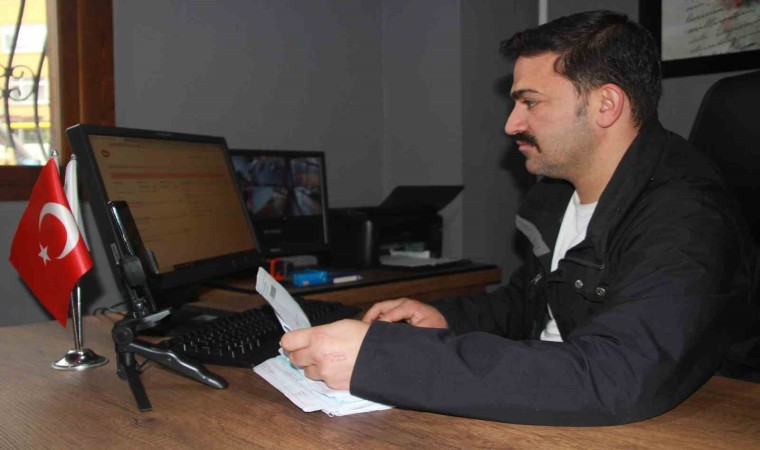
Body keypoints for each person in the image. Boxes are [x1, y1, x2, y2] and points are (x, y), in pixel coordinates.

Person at [281, 10, 754, 426]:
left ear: (606, 105)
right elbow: (528, 304)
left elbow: (617, 375)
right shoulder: (556, 196)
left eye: (530, 102)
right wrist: (444, 317)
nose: (511, 124)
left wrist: (384, 360)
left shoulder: (688, 217)